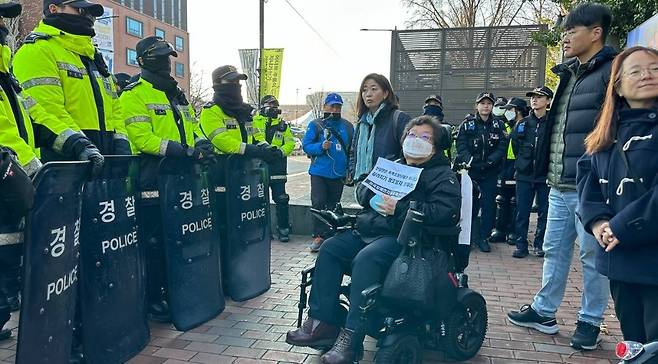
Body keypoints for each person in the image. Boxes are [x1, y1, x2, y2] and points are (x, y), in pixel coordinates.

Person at [286, 116, 461, 364]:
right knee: (331, 248)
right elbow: (363, 188)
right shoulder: (391, 163)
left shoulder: (442, 174)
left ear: (436, 145)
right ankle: (322, 322)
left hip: (408, 239)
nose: (415, 141)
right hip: (370, 229)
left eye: (424, 137)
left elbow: (446, 212)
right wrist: (371, 197)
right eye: (411, 135)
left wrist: (400, 208)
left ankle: (351, 339)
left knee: (367, 260)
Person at [507, 3, 616, 350]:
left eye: (572, 30)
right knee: (553, 249)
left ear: (596, 33)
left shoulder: (613, 71)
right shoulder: (568, 73)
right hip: (558, 181)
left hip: (591, 187)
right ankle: (544, 311)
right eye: (564, 31)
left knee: (592, 256)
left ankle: (590, 320)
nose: (565, 37)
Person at [120, 36, 209, 321]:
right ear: (144, 60)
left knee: (181, 237)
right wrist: (182, 151)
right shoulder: (134, 94)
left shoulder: (177, 94)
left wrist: (203, 146)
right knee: (155, 241)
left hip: (183, 177)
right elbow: (142, 138)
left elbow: (193, 128)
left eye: (168, 57)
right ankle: (154, 297)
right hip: (152, 178)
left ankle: (178, 289)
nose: (166, 63)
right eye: (160, 57)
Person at [577, 46, 658, 345]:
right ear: (619, 86)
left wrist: (621, 227)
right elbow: (586, 176)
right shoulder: (606, 131)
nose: (647, 75)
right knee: (634, 344)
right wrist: (598, 223)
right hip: (620, 258)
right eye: (635, 71)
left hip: (652, 257)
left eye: (655, 69)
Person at [13, 0, 131, 158]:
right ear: (54, 9)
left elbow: (115, 107)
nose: (88, 16)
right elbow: (47, 109)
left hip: (104, 161)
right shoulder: (37, 50)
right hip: (62, 162)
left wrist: (120, 142)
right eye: (80, 10)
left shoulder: (94, 57)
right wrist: (79, 145)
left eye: (90, 12)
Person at [455, 92, 507, 253]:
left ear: (492, 106)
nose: (485, 106)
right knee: (469, 205)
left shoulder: (499, 125)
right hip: (472, 171)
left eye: (489, 103)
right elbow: (460, 145)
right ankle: (467, 238)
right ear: (477, 105)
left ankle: (483, 237)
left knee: (488, 206)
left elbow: (503, 146)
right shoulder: (467, 124)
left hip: (490, 171)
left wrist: (492, 160)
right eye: (482, 103)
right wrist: (471, 161)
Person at [302, 93, 354, 252]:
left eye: (338, 106)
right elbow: (306, 145)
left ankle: (331, 235)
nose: (335, 109)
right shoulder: (316, 125)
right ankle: (318, 236)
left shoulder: (347, 126)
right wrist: (320, 147)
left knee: (333, 205)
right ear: (325, 106)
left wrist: (350, 170)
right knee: (318, 203)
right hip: (319, 172)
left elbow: (352, 149)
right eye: (332, 106)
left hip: (338, 173)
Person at [199, 65, 280, 161]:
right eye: (231, 82)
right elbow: (221, 140)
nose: (236, 85)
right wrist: (251, 150)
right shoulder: (211, 110)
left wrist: (267, 148)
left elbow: (256, 136)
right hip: (221, 166)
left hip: (246, 167)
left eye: (237, 81)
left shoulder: (244, 111)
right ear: (217, 83)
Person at [511, 86, 553, 258]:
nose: (535, 100)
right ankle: (521, 244)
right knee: (522, 211)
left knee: (544, 211)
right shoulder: (523, 124)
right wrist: (522, 164)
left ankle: (539, 244)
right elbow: (515, 146)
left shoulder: (553, 122)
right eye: (532, 97)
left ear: (548, 101)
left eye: (539, 97)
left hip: (544, 175)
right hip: (524, 174)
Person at [349, 73, 410, 183]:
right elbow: (353, 152)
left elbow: (410, 154)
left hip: (389, 185)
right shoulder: (362, 123)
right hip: (363, 185)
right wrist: (354, 173)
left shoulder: (399, 118)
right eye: (364, 90)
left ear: (385, 93)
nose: (368, 94)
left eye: (374, 89)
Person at [253, 95, 295, 242]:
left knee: (281, 199)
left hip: (278, 167)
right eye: (270, 105)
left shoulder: (283, 126)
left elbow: (290, 143)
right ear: (263, 106)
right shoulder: (253, 121)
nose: (274, 108)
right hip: (258, 167)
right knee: (259, 201)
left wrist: (280, 152)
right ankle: (264, 230)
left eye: (276, 105)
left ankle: (283, 228)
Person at [490, 97, 528, 245]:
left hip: (518, 167)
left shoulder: (525, 125)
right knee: (502, 198)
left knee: (515, 201)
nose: (507, 112)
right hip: (504, 166)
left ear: (517, 111)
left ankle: (513, 231)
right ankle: (500, 229)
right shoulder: (505, 125)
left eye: (510, 109)